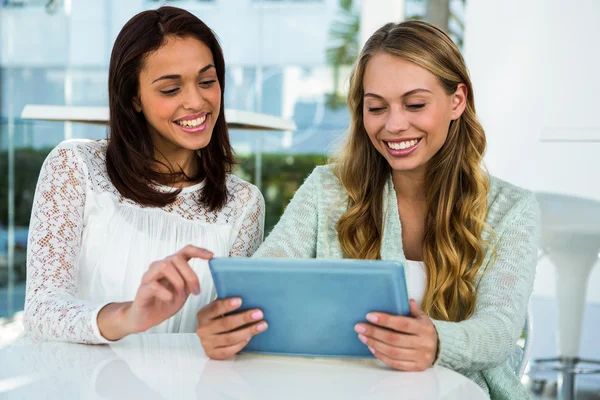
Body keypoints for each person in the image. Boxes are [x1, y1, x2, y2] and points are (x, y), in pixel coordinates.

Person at [196, 21, 539, 399]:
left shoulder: (512, 209)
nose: (393, 125)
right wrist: (228, 320)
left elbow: (500, 328)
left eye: (415, 104)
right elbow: (267, 274)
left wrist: (436, 342)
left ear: (457, 100)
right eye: (376, 107)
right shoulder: (328, 189)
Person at [24, 6, 265, 344]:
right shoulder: (75, 166)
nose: (197, 101)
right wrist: (128, 316)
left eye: (207, 81)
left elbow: (230, 327)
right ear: (134, 97)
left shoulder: (243, 203)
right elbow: (41, 310)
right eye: (171, 89)